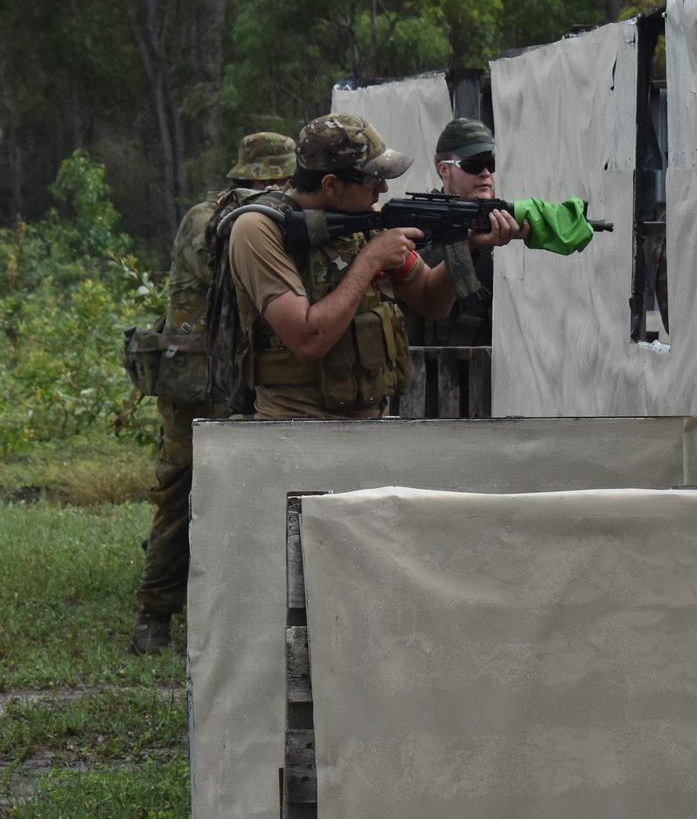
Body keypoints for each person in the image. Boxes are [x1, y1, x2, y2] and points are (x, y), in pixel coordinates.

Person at [226, 113, 525, 421]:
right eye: (373, 177)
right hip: (294, 427)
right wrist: (370, 260)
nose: (382, 188)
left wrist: (468, 244)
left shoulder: (365, 221)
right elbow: (307, 339)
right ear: (331, 184)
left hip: (371, 420)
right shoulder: (259, 229)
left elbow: (429, 299)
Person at [130, 132, 297, 655]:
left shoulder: (249, 217)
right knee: (180, 495)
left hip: (236, 375)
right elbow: (228, 266)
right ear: (273, 178)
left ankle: (227, 612)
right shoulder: (210, 220)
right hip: (195, 381)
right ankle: (153, 619)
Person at [403, 117, 522, 347]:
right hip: (434, 366)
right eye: (473, 164)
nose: (485, 173)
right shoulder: (419, 222)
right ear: (444, 169)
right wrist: (469, 245)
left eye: (490, 163)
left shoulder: (500, 224)